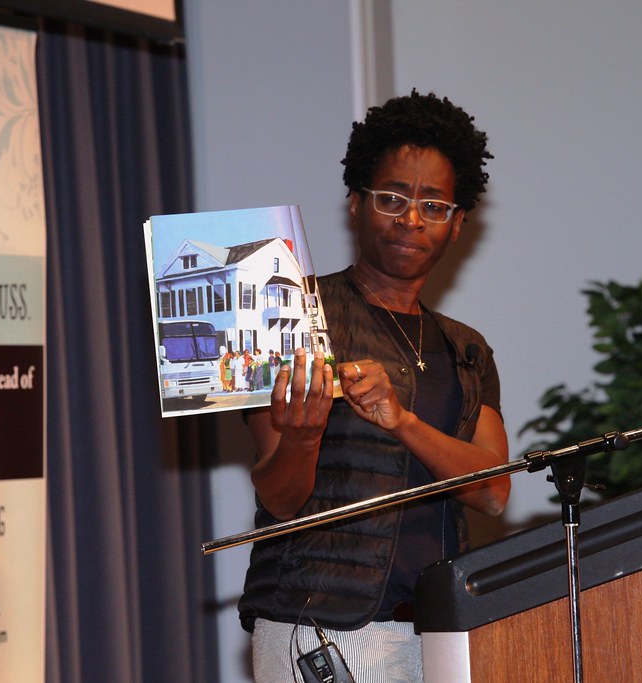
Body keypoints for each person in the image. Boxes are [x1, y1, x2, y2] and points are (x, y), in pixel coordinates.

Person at [240, 90, 510, 682]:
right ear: (355, 205)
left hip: (436, 626)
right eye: (391, 198)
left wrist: (405, 423)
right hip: (320, 630)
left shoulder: (464, 348)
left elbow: (492, 491)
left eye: (433, 205)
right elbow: (279, 499)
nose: (410, 220)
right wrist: (303, 439)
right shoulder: (288, 315)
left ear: (458, 223)